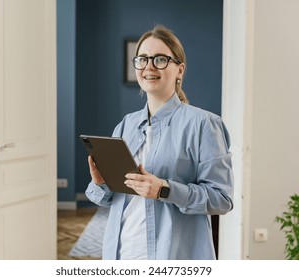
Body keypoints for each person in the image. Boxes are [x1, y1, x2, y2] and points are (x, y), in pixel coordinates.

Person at [85, 25, 233, 260]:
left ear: (179, 70)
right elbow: (105, 199)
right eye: (142, 59)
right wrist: (101, 183)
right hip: (121, 253)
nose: (149, 67)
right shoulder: (126, 125)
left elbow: (222, 200)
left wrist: (165, 190)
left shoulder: (204, 124)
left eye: (160, 59)